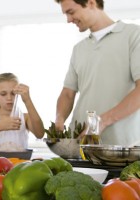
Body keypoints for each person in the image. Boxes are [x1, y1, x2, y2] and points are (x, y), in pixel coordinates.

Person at [54, 0, 140, 146]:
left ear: (91, 3)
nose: (68, 20)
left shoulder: (134, 35)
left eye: (71, 12)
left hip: (120, 147)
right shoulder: (79, 49)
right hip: (79, 145)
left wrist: (101, 122)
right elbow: (68, 92)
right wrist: (59, 118)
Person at [0, 73, 45, 150]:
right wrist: (0, 126)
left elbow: (40, 134)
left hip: (21, 161)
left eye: (13, 93)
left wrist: (27, 100)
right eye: (3, 94)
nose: (9, 98)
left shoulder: (25, 117)